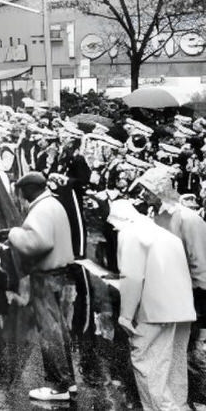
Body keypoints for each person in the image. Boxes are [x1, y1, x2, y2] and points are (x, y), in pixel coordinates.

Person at [108, 198, 196, 411]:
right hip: (182, 309)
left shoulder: (130, 233)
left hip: (155, 310)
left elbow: (132, 276)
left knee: (148, 362)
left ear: (118, 220)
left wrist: (126, 315)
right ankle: (178, 407)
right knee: (174, 365)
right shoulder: (164, 234)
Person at [0, 171, 76, 404]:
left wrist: (13, 234)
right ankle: (68, 380)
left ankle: (58, 385)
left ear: (27, 191)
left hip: (45, 275)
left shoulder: (40, 210)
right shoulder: (53, 204)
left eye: (21, 193)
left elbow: (37, 242)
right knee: (59, 328)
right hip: (60, 271)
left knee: (49, 331)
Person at [135, 165, 206, 405]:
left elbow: (200, 262)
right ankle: (174, 403)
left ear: (160, 189)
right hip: (162, 294)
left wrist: (200, 301)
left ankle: (171, 403)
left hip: (184, 295)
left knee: (167, 353)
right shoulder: (155, 214)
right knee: (169, 353)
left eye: (147, 189)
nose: (143, 194)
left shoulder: (188, 219)